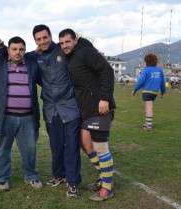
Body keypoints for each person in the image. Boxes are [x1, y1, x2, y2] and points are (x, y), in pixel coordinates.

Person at [59, 28, 116, 201]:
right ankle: (104, 177)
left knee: (100, 147)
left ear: (76, 40)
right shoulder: (72, 55)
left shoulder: (85, 52)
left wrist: (105, 98)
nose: (64, 46)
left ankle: (108, 187)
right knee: (85, 143)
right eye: (61, 43)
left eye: (68, 41)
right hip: (86, 110)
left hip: (100, 108)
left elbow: (107, 70)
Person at [27, 24, 82, 198]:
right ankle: (59, 175)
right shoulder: (35, 56)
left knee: (72, 147)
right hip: (51, 110)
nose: (42, 41)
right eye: (38, 39)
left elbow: (81, 46)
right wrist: (2, 49)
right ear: (35, 41)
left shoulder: (63, 50)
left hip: (69, 108)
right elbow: (20, 56)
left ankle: (73, 182)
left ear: (51, 36)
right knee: (56, 145)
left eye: (45, 37)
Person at [0, 36, 42, 191]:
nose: (18, 52)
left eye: (21, 49)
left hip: (28, 117)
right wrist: (1, 48)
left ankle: (31, 176)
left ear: (25, 50)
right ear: (8, 51)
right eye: (14, 49)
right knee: (3, 149)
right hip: (5, 117)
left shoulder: (32, 65)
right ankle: (3, 178)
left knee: (30, 149)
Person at [131, 53, 166, 131]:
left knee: (149, 108)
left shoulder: (146, 70)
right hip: (155, 92)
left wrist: (134, 90)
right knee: (148, 107)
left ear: (147, 61)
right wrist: (163, 92)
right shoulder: (159, 70)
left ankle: (149, 126)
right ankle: (147, 123)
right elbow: (162, 82)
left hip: (147, 91)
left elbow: (141, 81)